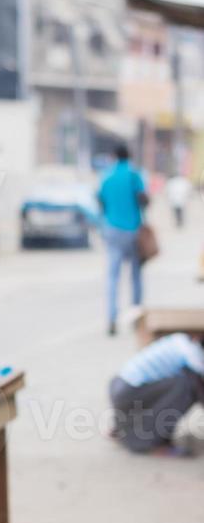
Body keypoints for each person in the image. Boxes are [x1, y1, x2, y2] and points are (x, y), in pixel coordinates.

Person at [109, 332, 204, 453]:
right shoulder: (194, 355)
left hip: (118, 385)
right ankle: (150, 442)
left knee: (179, 382)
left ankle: (123, 428)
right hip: (129, 393)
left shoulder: (179, 339)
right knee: (187, 386)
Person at [98, 145, 148, 336]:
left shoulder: (107, 176)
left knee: (113, 276)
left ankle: (111, 318)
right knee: (135, 276)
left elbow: (100, 201)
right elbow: (143, 199)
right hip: (132, 230)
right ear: (130, 156)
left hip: (112, 229)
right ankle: (136, 317)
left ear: (114, 156)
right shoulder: (134, 175)